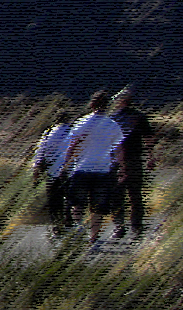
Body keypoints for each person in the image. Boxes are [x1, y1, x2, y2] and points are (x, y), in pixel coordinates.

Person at [60, 90, 127, 251]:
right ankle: (93, 239)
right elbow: (119, 149)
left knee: (77, 203)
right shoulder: (112, 125)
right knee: (98, 207)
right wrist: (122, 168)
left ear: (92, 104)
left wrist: (65, 165)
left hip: (82, 169)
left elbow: (72, 146)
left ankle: (78, 226)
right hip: (103, 170)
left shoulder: (82, 122)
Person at [109, 86, 157, 238]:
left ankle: (120, 227)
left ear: (120, 101)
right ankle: (136, 227)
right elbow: (149, 138)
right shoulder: (139, 117)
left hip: (116, 161)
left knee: (118, 195)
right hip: (134, 159)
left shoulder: (113, 118)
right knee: (134, 195)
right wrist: (150, 156)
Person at [30, 109, 75, 236]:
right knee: (70, 199)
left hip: (52, 172)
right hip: (69, 171)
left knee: (54, 201)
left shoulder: (48, 133)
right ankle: (69, 222)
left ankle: (57, 225)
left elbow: (39, 155)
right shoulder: (73, 132)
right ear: (67, 120)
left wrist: (36, 173)